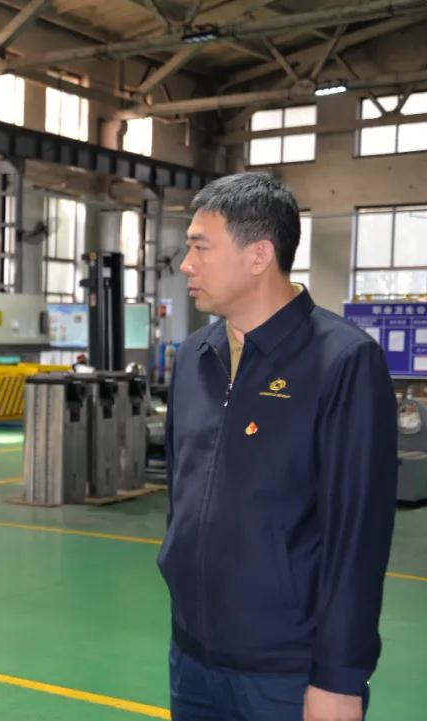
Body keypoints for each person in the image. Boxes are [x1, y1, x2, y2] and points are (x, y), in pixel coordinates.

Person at [160, 172, 397, 721]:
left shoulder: (342, 361)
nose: (186, 265)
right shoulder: (195, 357)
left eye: (200, 247)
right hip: (192, 660)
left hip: (287, 674)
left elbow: (358, 536)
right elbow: (181, 491)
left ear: (259, 255)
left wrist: (339, 677)